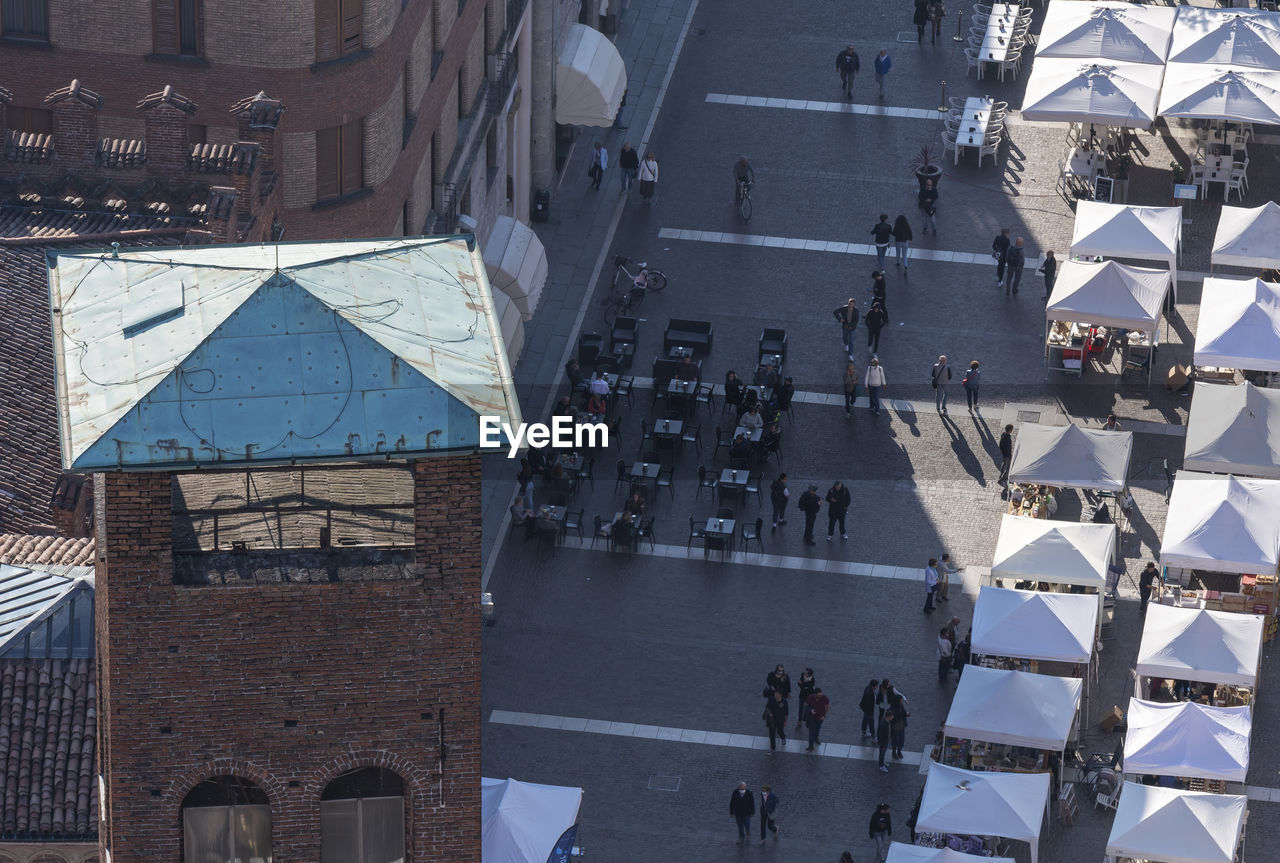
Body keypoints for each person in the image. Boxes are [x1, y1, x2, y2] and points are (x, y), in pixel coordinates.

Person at [804, 686, 830, 751]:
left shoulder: (824, 698)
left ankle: (816, 738)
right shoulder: (810, 697)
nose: (821, 695)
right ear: (815, 695)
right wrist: (810, 710)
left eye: (821, 694)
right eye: (819, 695)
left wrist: (825, 716)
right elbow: (806, 704)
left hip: (820, 718)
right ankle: (811, 746)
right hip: (812, 718)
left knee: (817, 730)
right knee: (811, 732)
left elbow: (827, 706)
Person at [887, 694, 908, 759]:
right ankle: (894, 752)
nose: (902, 701)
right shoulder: (892, 708)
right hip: (895, 727)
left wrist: (906, 714)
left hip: (901, 726)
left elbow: (903, 713)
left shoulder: (900, 706)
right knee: (895, 740)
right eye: (901, 700)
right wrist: (902, 714)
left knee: (901, 740)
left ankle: (899, 751)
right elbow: (892, 718)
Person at [875, 708, 891, 772]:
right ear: (888, 717)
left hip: (885, 741)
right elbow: (881, 736)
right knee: (882, 753)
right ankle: (881, 766)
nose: (892, 718)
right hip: (883, 742)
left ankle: (882, 762)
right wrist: (883, 745)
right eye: (891, 717)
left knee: (883, 753)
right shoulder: (883, 724)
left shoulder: (885, 722)